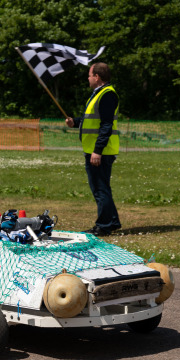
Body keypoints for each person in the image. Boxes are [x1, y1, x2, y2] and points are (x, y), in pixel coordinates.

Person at [65, 62, 121, 236]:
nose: (87, 78)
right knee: (102, 186)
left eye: (89, 75)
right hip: (95, 149)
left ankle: (103, 226)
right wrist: (75, 122)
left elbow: (106, 125)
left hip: (100, 151)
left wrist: (98, 150)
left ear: (97, 77)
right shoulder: (99, 94)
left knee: (99, 188)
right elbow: (91, 119)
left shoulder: (107, 95)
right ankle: (112, 221)